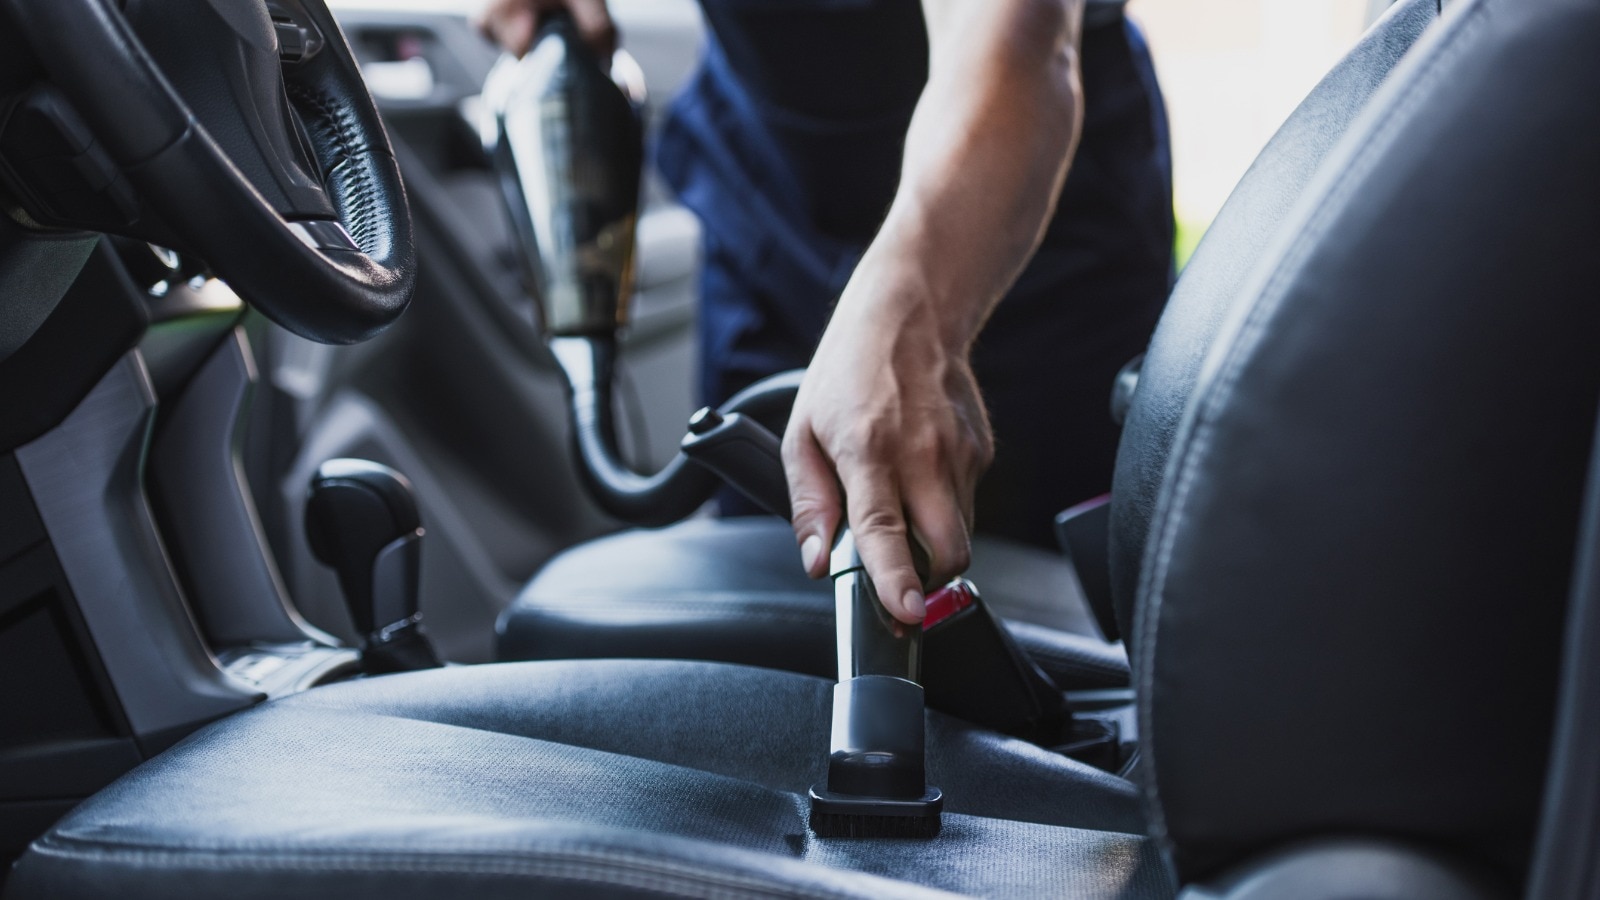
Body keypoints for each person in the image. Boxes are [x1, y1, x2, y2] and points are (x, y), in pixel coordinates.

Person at [482, 0, 1173, 627]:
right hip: (767, 173)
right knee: (774, 587)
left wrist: (916, 313)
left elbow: (1017, 36)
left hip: (1020, 199)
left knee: (1082, 623)